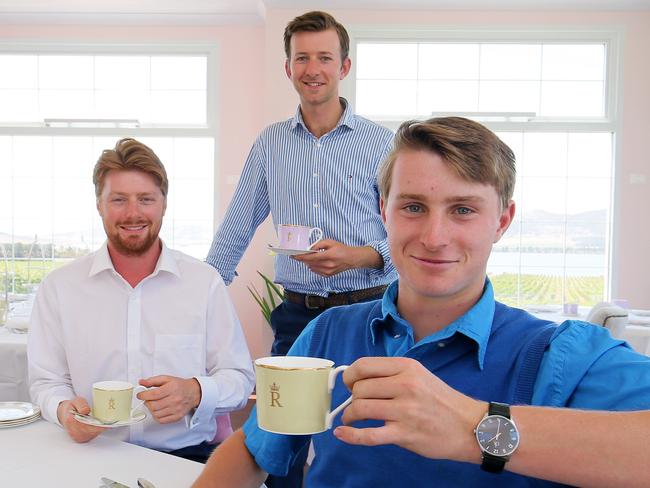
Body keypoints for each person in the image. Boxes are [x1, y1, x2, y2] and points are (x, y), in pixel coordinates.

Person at [192, 117, 650, 487]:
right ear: (382, 211)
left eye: (463, 210)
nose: (434, 237)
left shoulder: (563, 357)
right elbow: (255, 450)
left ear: (502, 221)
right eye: (412, 207)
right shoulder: (327, 332)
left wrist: (473, 427)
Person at [28, 138, 255, 463]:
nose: (133, 213)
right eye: (118, 199)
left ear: (164, 203)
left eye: (145, 199)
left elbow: (239, 376)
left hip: (188, 458)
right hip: (92, 457)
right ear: (99, 205)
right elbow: (46, 381)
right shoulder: (59, 288)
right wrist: (64, 410)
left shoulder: (203, 283)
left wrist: (195, 391)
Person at [206, 10, 397, 357]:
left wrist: (357, 257)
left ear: (344, 67)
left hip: (368, 313)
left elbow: (405, 237)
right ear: (288, 68)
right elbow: (236, 227)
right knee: (287, 412)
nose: (313, 69)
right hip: (296, 319)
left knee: (369, 411)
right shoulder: (270, 143)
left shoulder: (383, 144)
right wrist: (199, 296)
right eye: (302, 58)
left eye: (324, 58)